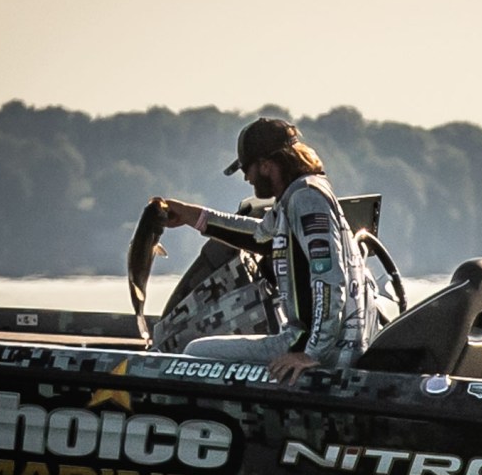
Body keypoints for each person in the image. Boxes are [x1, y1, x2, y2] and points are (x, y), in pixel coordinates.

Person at [162, 117, 379, 385]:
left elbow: (330, 278)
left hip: (319, 347)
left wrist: (312, 354)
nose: (247, 178)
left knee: (195, 353)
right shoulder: (297, 195)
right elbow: (260, 236)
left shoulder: (306, 197)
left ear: (266, 165)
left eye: (247, 169)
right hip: (319, 342)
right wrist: (190, 215)